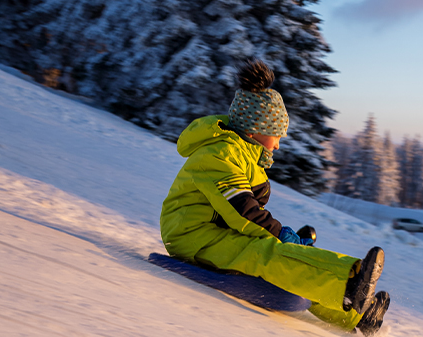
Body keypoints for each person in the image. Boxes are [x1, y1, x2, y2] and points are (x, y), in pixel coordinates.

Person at [159, 59, 389, 335]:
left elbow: (250, 213)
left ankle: (357, 315)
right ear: (254, 130)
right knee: (263, 253)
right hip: (190, 235)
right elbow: (243, 212)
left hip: (217, 231)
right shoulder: (219, 155)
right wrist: (280, 236)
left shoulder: (247, 156)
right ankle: (350, 284)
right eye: (276, 136)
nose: (278, 144)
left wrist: (287, 238)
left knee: (280, 252)